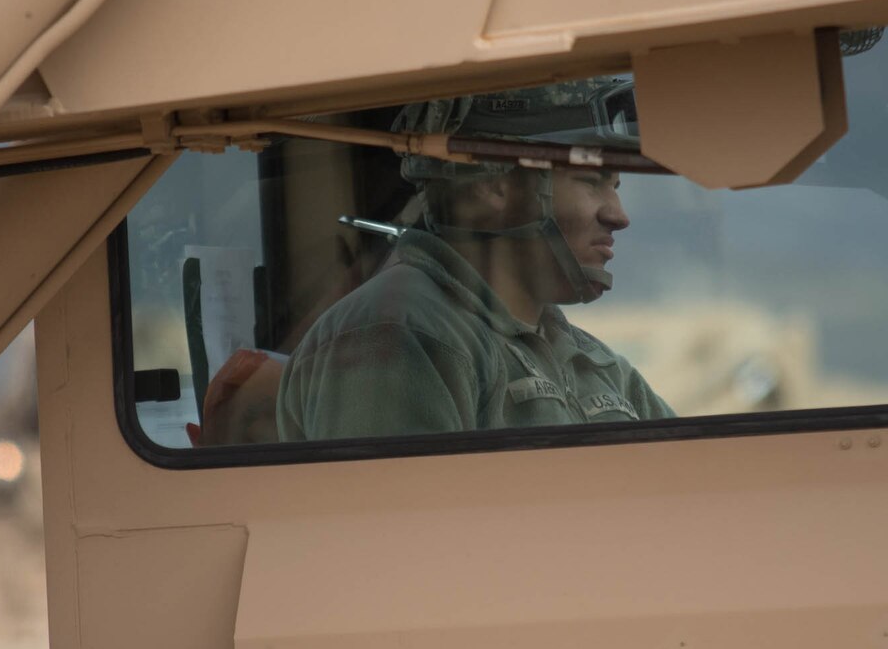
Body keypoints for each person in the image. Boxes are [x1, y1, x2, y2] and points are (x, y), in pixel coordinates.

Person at [277, 78, 675, 440]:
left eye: (616, 186)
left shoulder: (596, 364)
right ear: (494, 184)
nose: (618, 215)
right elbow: (399, 517)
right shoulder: (399, 331)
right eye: (591, 182)